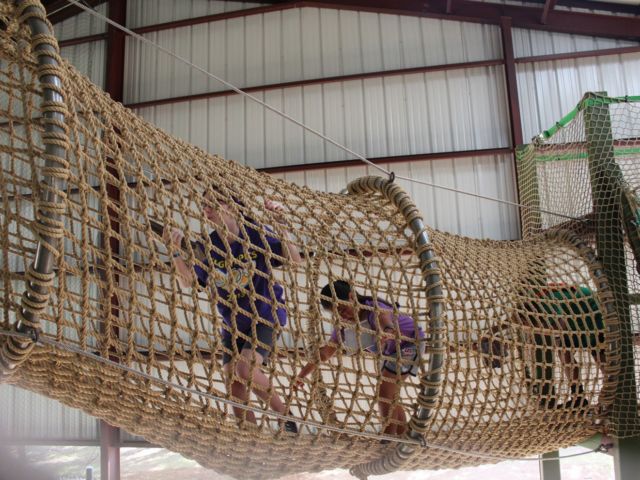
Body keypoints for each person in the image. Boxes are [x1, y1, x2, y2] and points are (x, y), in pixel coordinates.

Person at [163, 190, 302, 432]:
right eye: (204, 204)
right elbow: (189, 281)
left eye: (214, 203)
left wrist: (281, 225)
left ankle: (286, 418)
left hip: (265, 315)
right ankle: (248, 437)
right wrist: (175, 252)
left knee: (244, 369)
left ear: (232, 206)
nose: (207, 208)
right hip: (233, 323)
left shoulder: (253, 235)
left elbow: (294, 259)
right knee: (233, 383)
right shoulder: (208, 246)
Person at [294, 280, 424, 438]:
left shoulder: (373, 308)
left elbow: (384, 320)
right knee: (390, 395)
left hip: (409, 344)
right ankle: (402, 435)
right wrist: (302, 374)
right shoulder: (343, 325)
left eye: (343, 308)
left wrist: (388, 331)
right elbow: (325, 353)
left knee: (384, 392)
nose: (343, 314)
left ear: (351, 297)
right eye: (337, 313)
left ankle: (387, 438)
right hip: (391, 353)